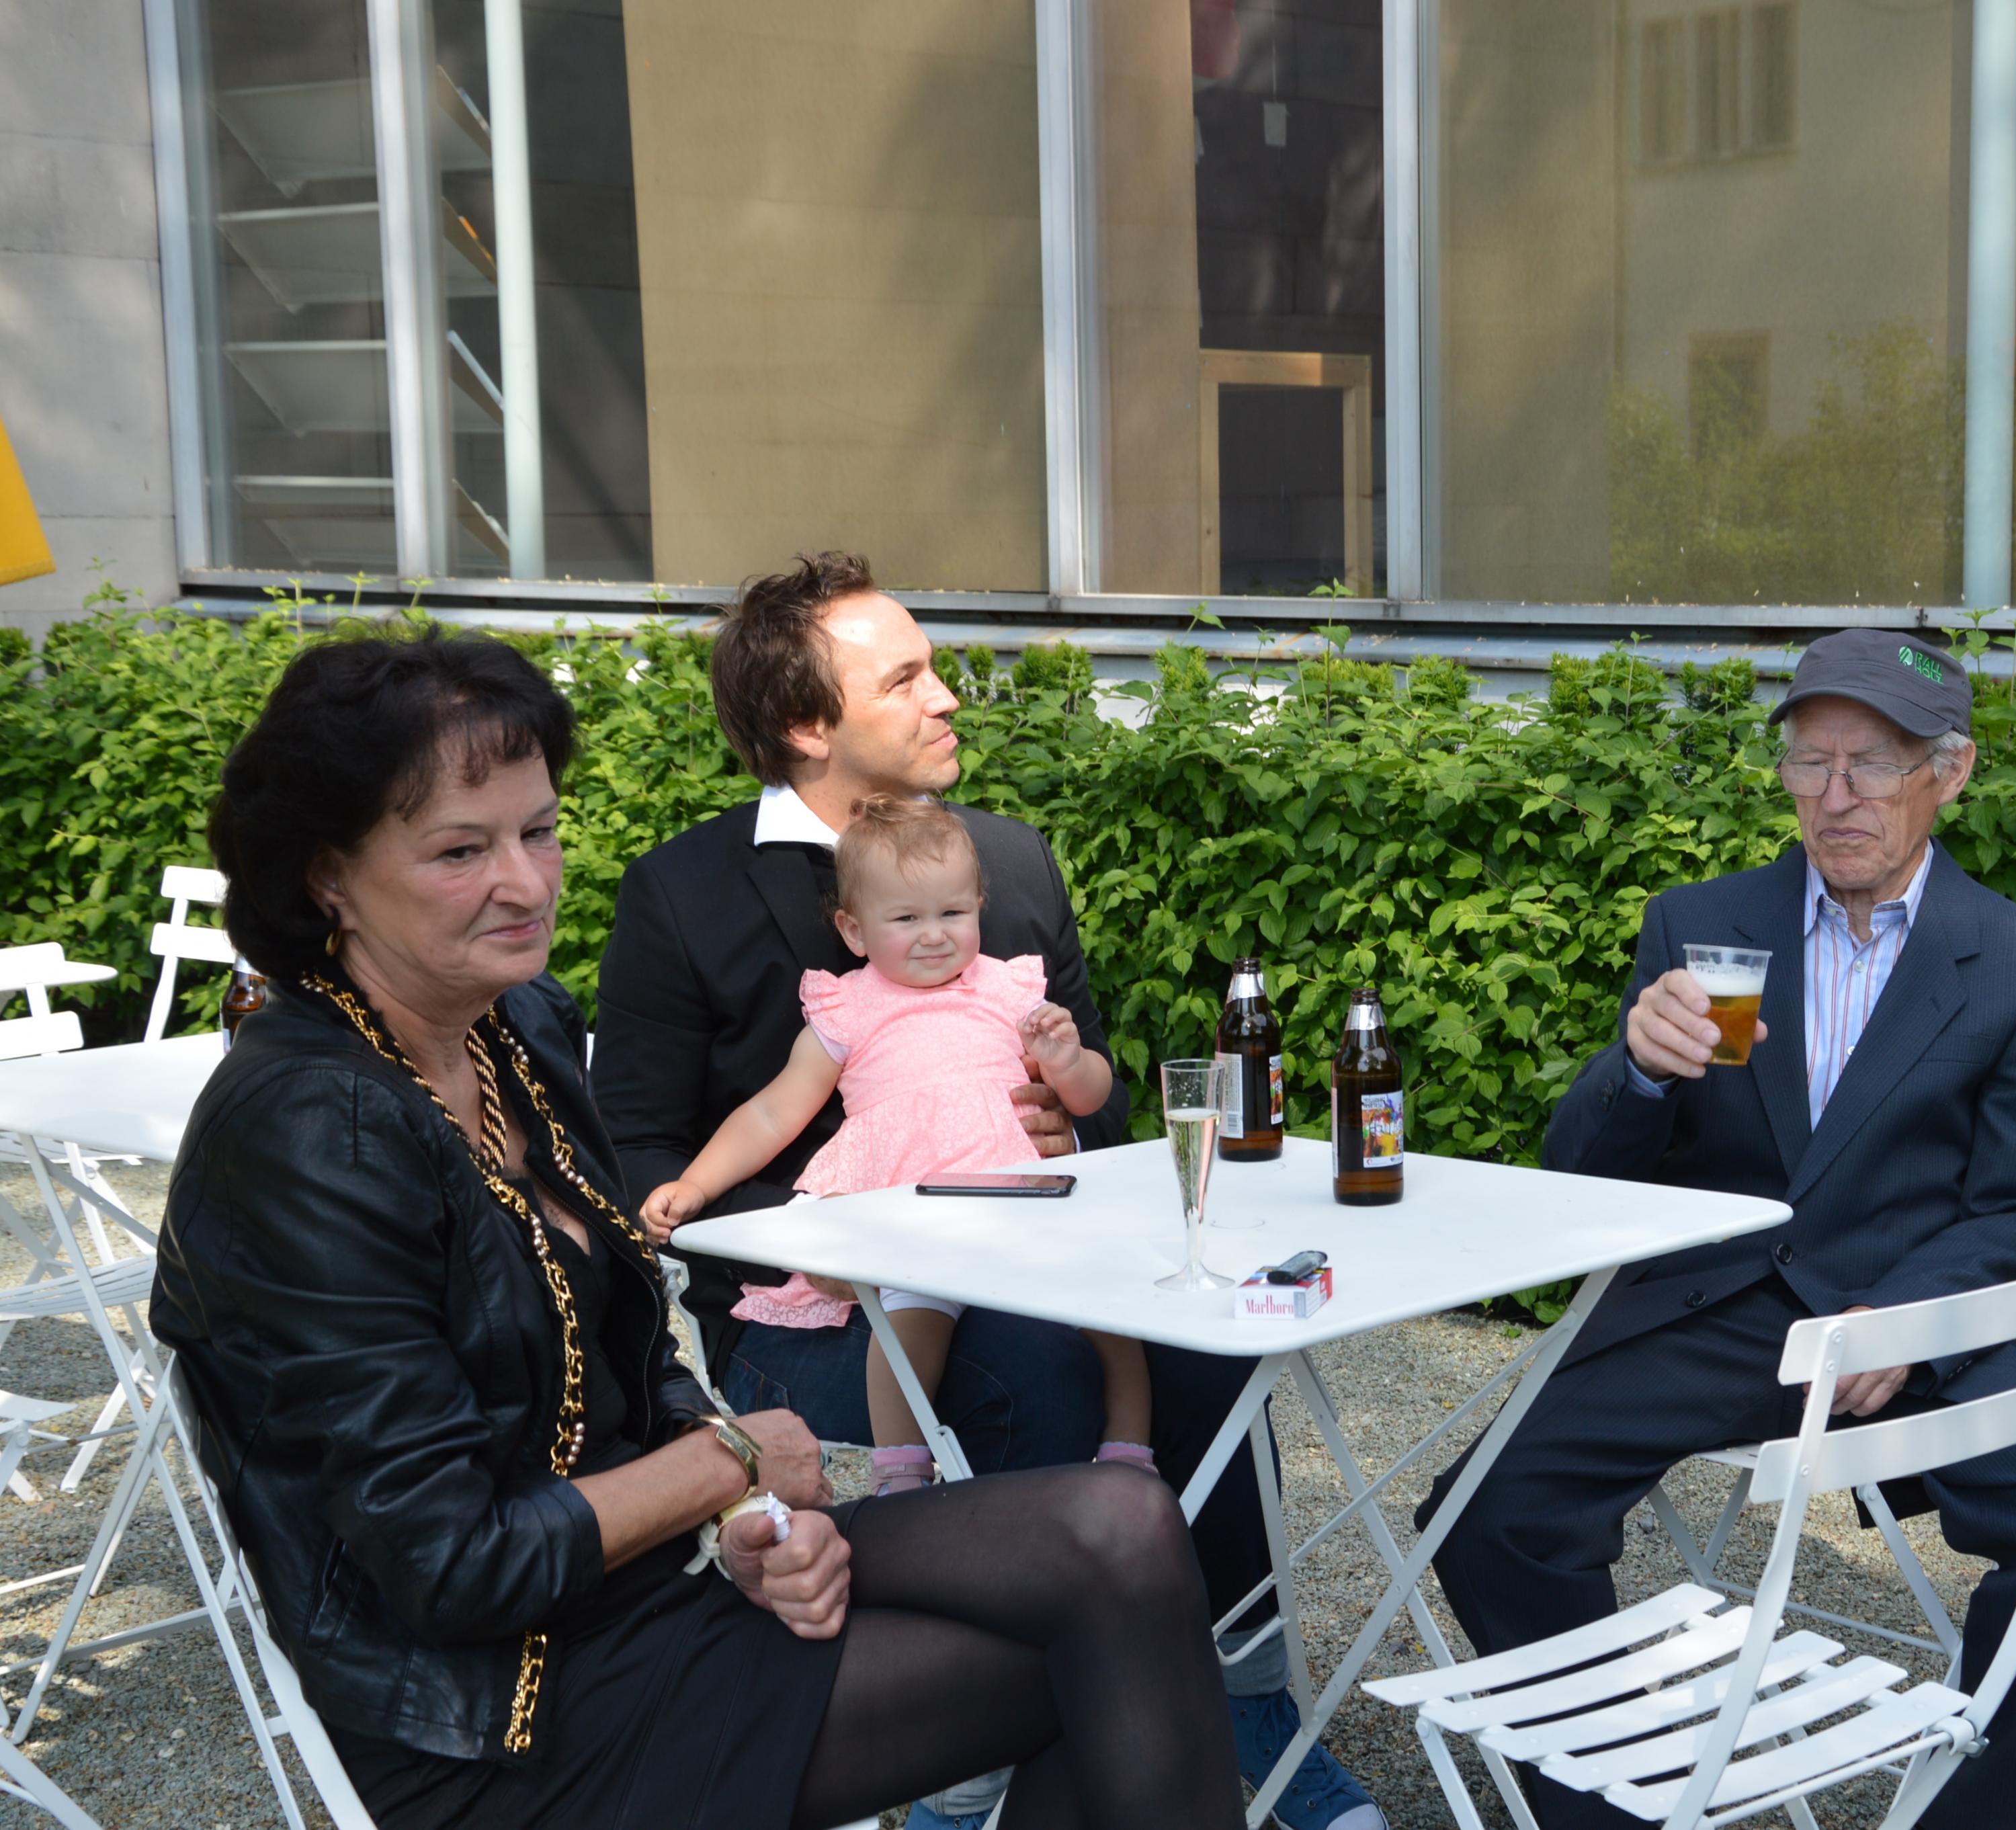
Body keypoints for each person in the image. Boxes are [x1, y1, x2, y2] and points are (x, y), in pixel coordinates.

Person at [152, 630, 1243, 1830]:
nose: (527, 882)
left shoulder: (516, 1029)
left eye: (539, 830)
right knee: (1107, 1638)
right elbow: (451, 1562)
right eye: (462, 850)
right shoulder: (309, 1125)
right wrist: (728, 1466)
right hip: (500, 1714)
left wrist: (745, 1527)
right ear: (328, 878)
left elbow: (632, 1360)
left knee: (1121, 1527)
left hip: (644, 1588)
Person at [591, 552, 1382, 1830]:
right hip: (823, 1309)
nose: (948, 695)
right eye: (906, 677)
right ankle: (1000, 1733)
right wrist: (814, 1232)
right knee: (1041, 1370)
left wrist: (1065, 1113)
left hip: (1031, 1243)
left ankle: (1245, 1693)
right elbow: (632, 1152)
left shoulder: (1007, 859)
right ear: (806, 724)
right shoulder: (681, 891)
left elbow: (1100, 1105)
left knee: (1208, 1351)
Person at [1421, 628, 2016, 1830]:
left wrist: (1904, 1321)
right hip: (1715, 1309)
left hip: (1899, 1325)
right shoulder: (1702, 926)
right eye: (1811, 761)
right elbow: (1585, 1180)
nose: (1836, 795)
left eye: (1871, 763)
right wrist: (1637, 1070)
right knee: (1486, 1517)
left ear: (1949, 771)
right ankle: (1619, 1806)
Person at [642, 795, 1152, 1495]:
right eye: (906, 919)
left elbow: (1090, 1096)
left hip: (1026, 1206)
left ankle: (1131, 1450)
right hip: (915, 1217)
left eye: (952, 912)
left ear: (978, 906)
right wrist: (696, 1184)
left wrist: (1067, 1062)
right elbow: (772, 1112)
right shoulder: (848, 1007)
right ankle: (901, 1472)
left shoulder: (1009, 990)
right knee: (907, 1331)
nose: (934, 935)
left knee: (1112, 1314)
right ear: (853, 930)